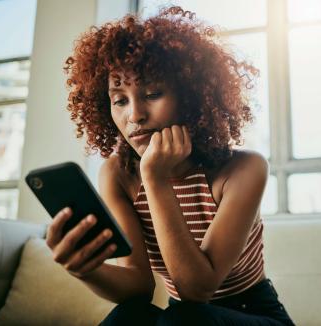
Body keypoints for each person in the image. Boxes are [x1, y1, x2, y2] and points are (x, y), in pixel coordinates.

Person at [45, 6, 294, 325]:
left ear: (191, 98)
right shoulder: (117, 175)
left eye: (152, 93)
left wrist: (155, 178)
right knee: (128, 316)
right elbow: (137, 287)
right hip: (183, 316)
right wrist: (84, 269)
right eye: (119, 99)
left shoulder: (244, 169)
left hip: (253, 313)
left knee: (185, 317)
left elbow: (196, 290)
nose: (134, 115)